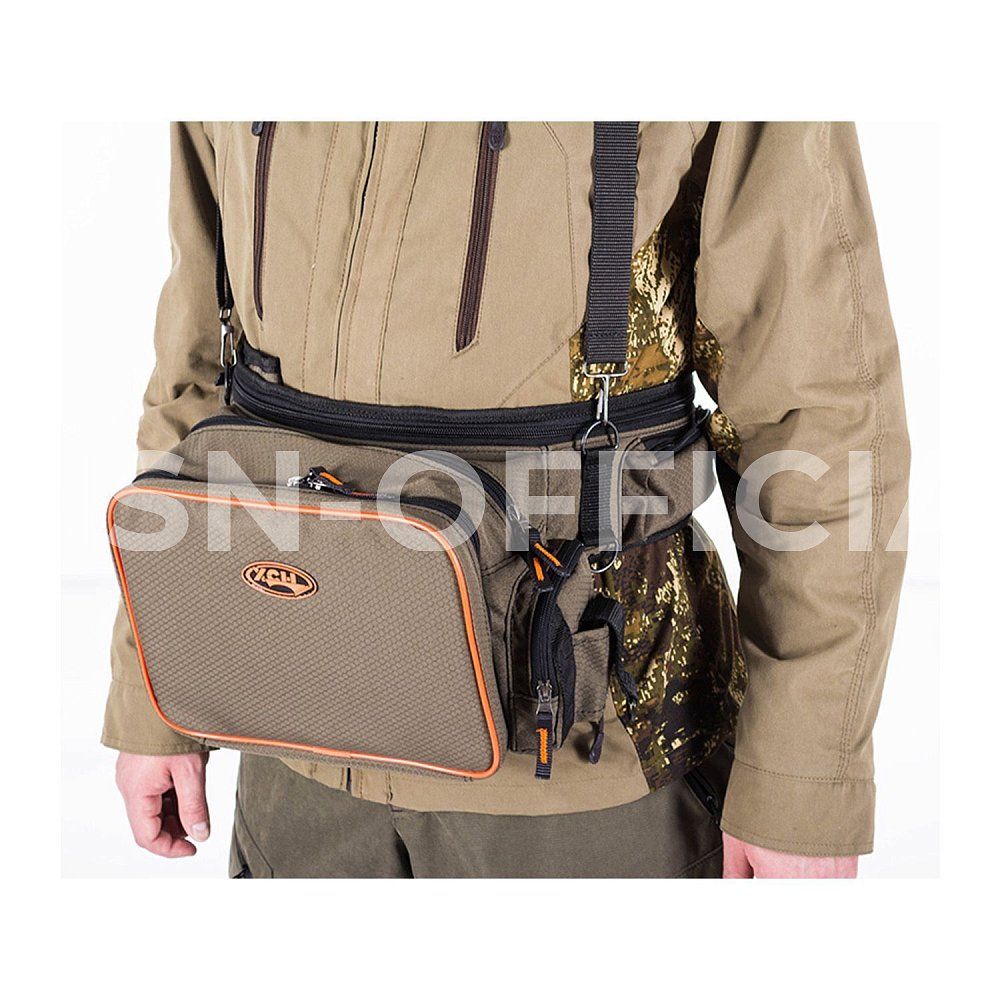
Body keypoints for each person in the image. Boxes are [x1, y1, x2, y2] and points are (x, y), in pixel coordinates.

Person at [105, 122, 908, 878]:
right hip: (292, 742)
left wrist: (802, 786)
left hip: (587, 774)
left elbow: (821, 425)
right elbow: (198, 372)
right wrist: (154, 690)